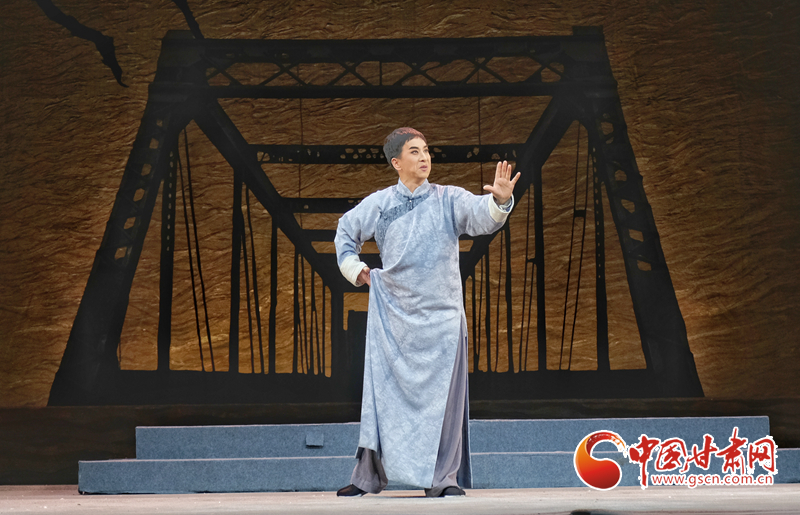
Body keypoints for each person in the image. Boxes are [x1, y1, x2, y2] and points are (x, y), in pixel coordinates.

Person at [334, 127, 519, 497]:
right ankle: (367, 476)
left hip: (441, 317)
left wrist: (499, 202)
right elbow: (345, 232)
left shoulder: (448, 199)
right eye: (414, 151)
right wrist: (358, 270)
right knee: (382, 397)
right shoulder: (381, 203)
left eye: (426, 151)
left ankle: (442, 479)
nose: (424, 157)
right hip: (395, 317)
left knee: (444, 406)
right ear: (396, 162)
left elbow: (480, 216)